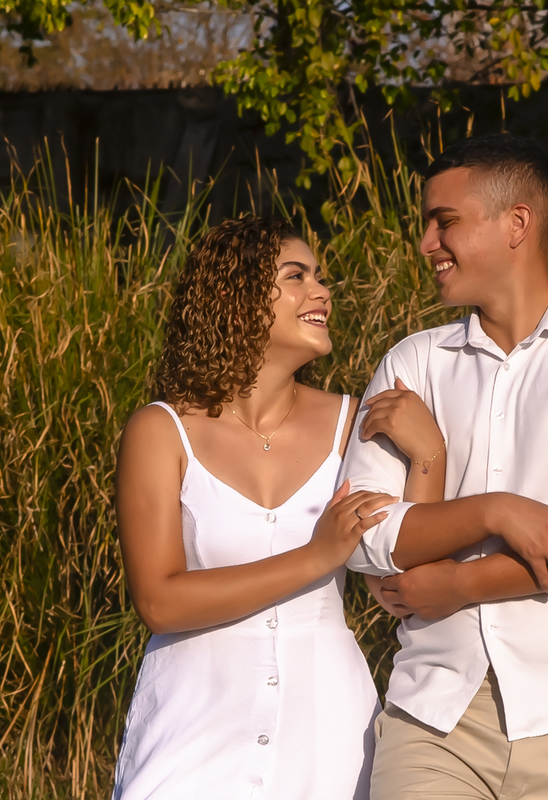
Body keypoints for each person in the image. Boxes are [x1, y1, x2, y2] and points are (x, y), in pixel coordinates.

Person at [342, 133, 548, 799]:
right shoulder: (413, 363)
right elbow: (366, 535)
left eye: (446, 222)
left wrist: (460, 585)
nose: (426, 244)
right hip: (432, 721)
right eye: (426, 224)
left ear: (517, 222)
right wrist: (497, 512)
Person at [111, 216, 448, 800]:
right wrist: (316, 556)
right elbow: (160, 602)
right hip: (191, 729)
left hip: (326, 733)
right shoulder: (160, 432)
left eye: (320, 276)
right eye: (298, 276)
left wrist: (429, 457)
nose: (323, 291)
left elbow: (401, 587)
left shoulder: (356, 424)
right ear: (235, 297)